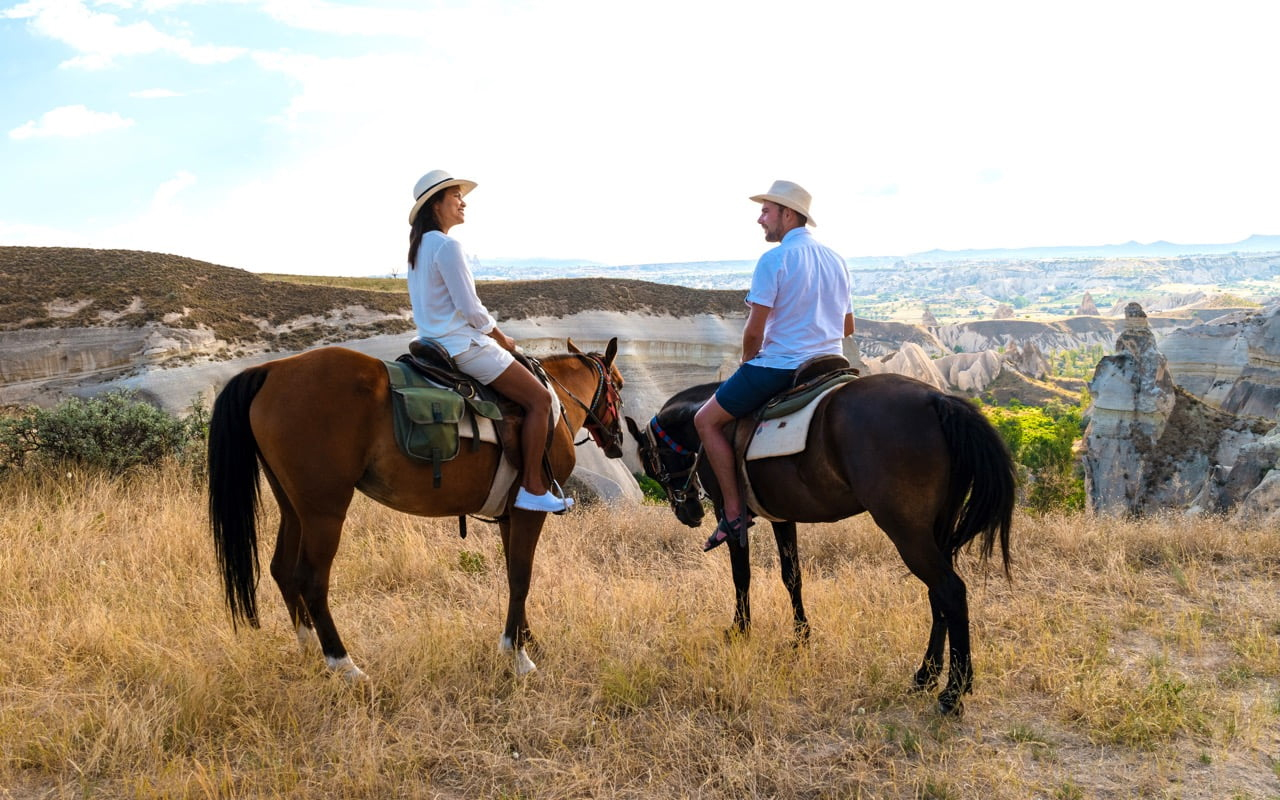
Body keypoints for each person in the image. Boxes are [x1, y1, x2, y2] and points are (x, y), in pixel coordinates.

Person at [693, 179, 853, 551]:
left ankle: (734, 512)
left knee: (705, 420)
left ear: (788, 214)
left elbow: (754, 331)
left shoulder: (775, 259)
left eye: (766, 211)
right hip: (832, 363)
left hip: (783, 365)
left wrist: (747, 363)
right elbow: (847, 327)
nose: (760, 219)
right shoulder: (837, 259)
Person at [406, 169, 572, 513]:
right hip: (462, 346)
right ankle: (532, 487)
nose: (463, 202)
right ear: (436, 204)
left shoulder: (418, 249)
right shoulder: (448, 246)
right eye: (456, 196)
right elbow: (471, 309)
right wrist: (501, 338)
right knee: (540, 400)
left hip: (431, 345)